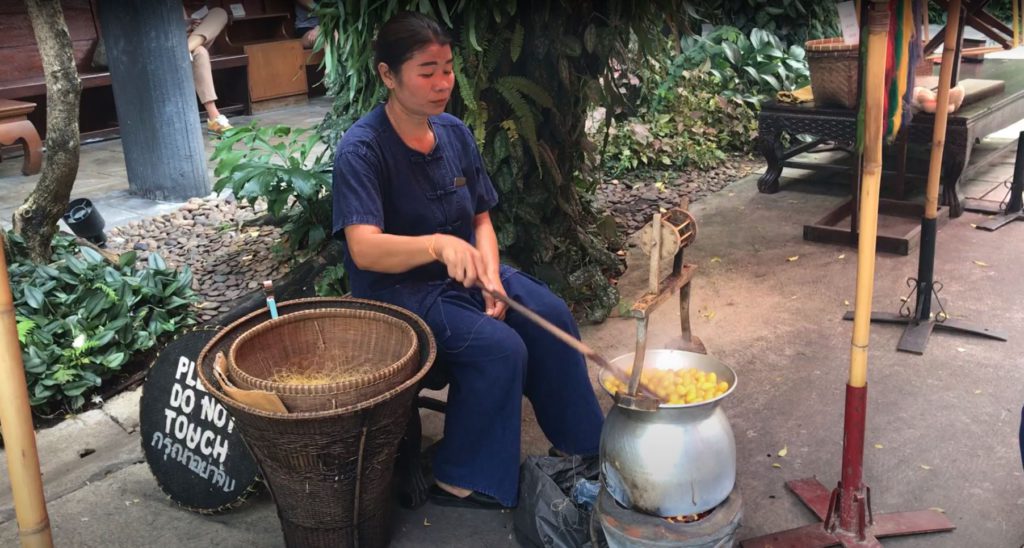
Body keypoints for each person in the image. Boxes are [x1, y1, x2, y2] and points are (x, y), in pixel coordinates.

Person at [331, 11, 604, 510]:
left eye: (448, 69)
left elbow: (481, 218)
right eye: (426, 71)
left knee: (549, 314)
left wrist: (490, 277)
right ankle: (462, 476)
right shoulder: (362, 149)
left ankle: (585, 449)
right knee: (501, 347)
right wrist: (437, 245)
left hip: (465, 276)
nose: (441, 83)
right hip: (397, 295)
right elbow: (364, 247)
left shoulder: (454, 132)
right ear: (388, 75)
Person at [183, 4, 233, 134]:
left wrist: (193, 26)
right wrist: (184, 26)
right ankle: (214, 116)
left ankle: (183, 51)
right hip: (174, 42)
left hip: (194, 39)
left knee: (219, 13)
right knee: (200, 52)